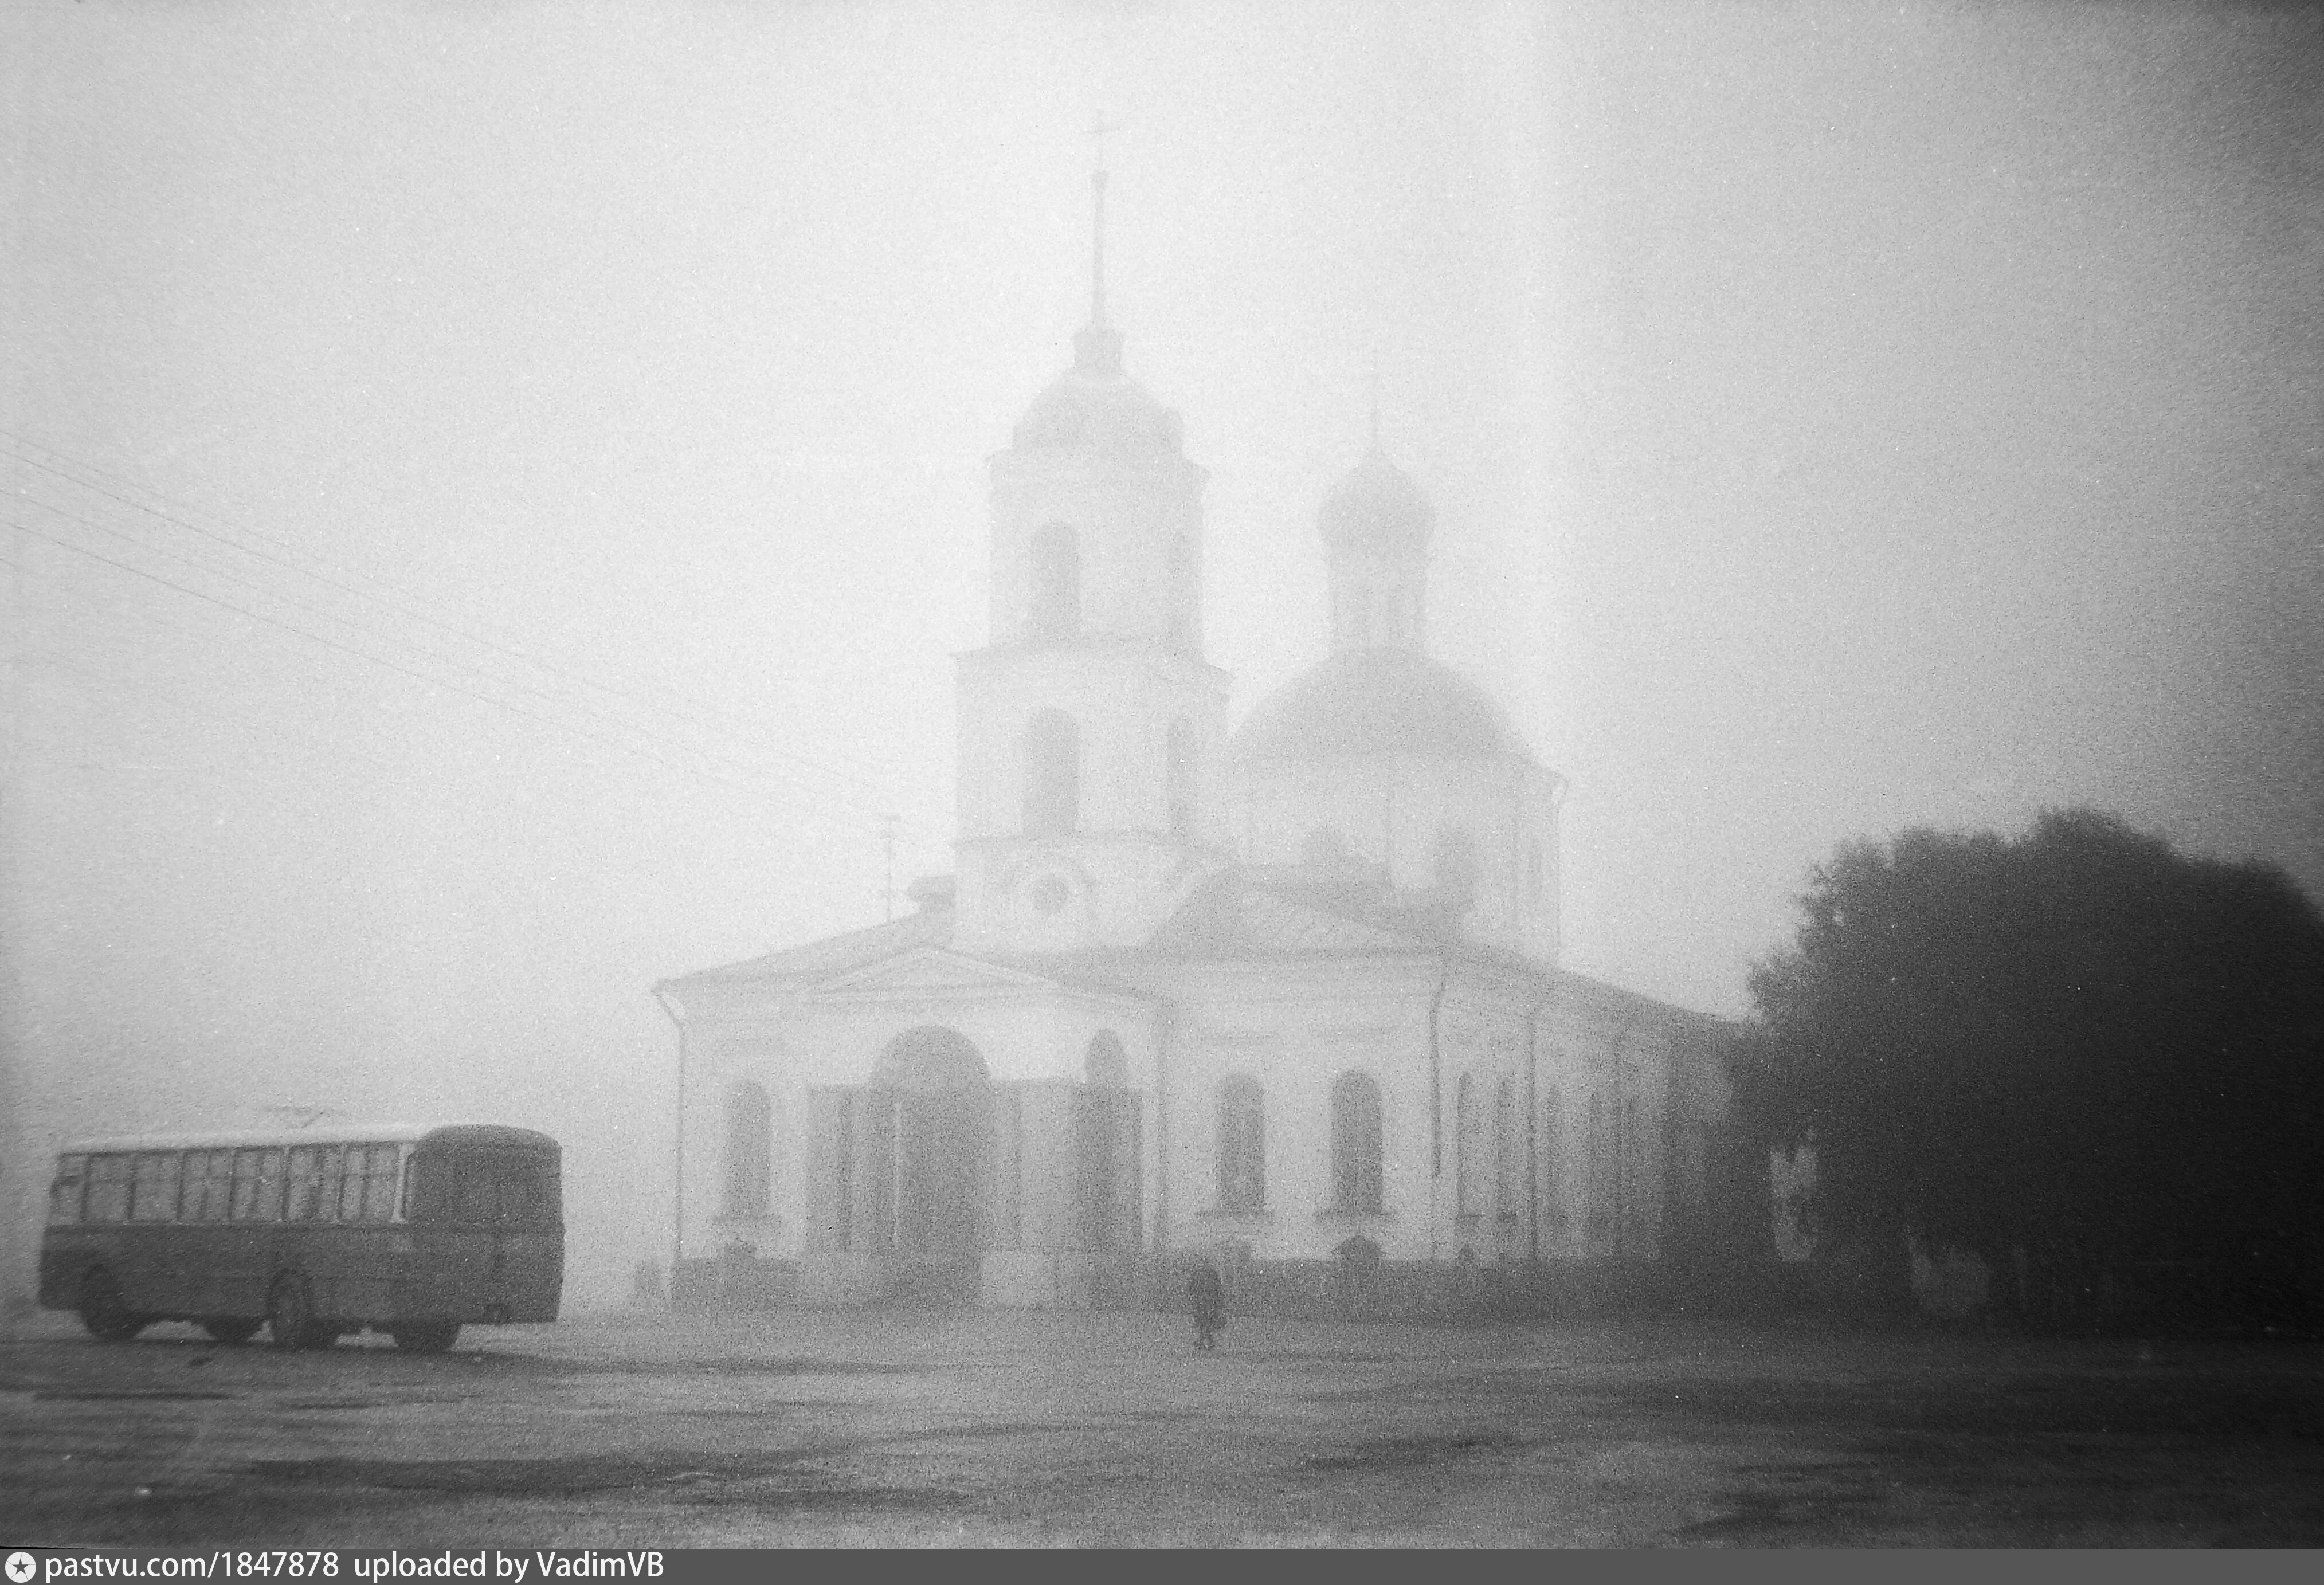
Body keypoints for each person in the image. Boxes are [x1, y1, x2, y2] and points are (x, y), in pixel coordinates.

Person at [1188, 1258, 1226, 1352]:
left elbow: (1192, 1288)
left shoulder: (1198, 1273)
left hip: (1201, 1301)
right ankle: (1206, 1342)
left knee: (1203, 1322)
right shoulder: (1212, 1273)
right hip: (1209, 1301)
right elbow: (1218, 1288)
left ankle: (1204, 1341)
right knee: (1206, 1322)